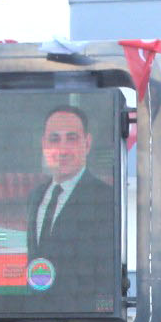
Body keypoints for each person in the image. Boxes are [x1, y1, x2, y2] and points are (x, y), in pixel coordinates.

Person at [24, 105, 119, 296]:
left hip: (83, 314)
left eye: (72, 138)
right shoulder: (36, 197)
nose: (62, 150)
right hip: (37, 314)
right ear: (44, 145)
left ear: (87, 143)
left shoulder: (106, 199)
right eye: (54, 139)